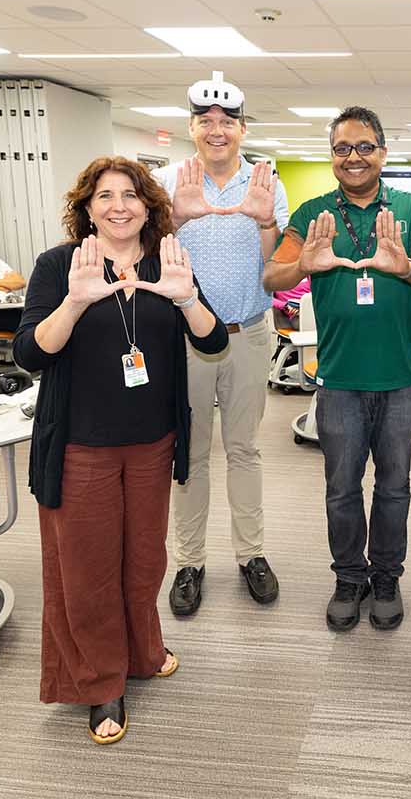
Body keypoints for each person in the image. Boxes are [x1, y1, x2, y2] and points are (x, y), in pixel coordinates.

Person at [13, 156, 228, 746]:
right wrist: (76, 301)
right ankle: (102, 680)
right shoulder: (60, 265)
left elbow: (211, 339)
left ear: (147, 205)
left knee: (143, 561)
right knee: (87, 571)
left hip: (153, 442)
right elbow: (30, 353)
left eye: (130, 194)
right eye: (104, 196)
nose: (118, 205)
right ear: (87, 209)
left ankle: (143, 648)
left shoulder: (170, 260)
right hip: (83, 445)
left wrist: (185, 299)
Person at [262, 105, 411, 632]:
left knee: (393, 488)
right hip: (339, 379)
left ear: (383, 154)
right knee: (341, 488)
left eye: (364, 147)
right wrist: (304, 263)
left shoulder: (410, 208)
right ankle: (349, 577)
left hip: (399, 379)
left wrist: (405, 266)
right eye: (343, 148)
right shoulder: (314, 213)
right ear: (333, 156)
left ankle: (386, 577)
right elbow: (273, 276)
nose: (354, 157)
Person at [153, 72, 289, 613]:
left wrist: (263, 224)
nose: (216, 130)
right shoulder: (166, 181)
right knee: (189, 454)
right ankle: (189, 561)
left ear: (241, 128)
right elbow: (142, 253)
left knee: (245, 450)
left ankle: (251, 554)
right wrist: (175, 217)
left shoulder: (265, 183)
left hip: (248, 334)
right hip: (181, 338)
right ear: (191, 127)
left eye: (226, 122)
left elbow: (277, 266)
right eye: (206, 121)